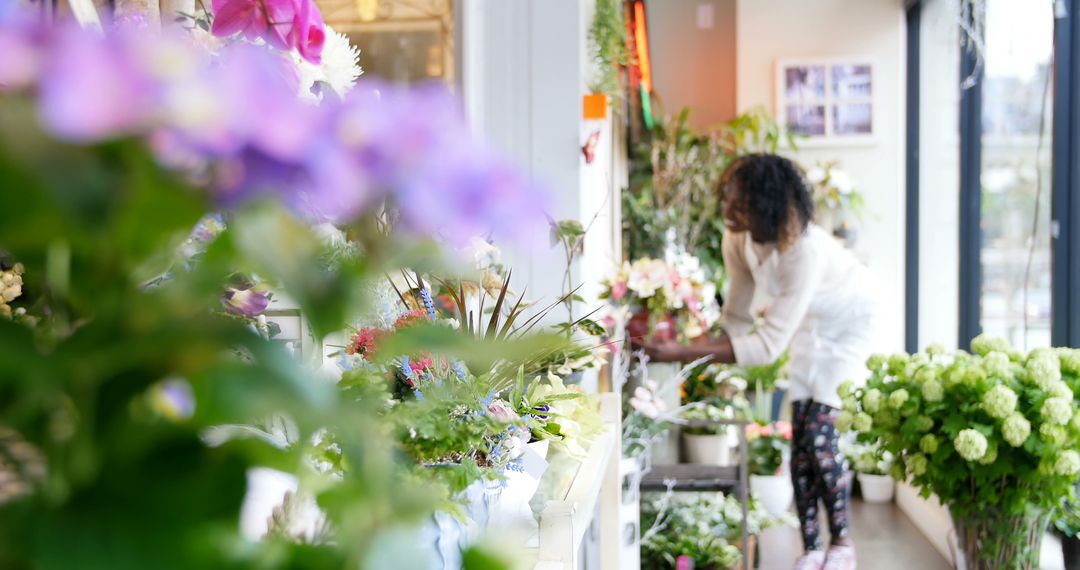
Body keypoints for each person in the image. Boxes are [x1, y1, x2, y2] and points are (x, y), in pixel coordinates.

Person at [641, 153, 878, 570]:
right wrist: (678, 341)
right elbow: (736, 319)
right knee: (801, 439)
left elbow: (765, 347)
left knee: (821, 433)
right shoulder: (737, 239)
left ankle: (842, 544)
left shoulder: (803, 249)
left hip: (850, 324)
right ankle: (813, 548)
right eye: (727, 199)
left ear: (767, 202)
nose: (727, 211)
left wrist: (679, 353)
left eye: (739, 203)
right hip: (808, 326)